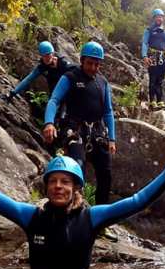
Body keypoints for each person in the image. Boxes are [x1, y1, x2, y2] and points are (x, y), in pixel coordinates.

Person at [0, 137, 165, 269]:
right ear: (46, 185)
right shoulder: (31, 216)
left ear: (76, 188)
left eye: (65, 181)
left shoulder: (92, 217)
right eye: (53, 181)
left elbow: (137, 201)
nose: (58, 186)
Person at [41, 41, 115, 210]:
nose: (93, 67)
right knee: (76, 167)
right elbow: (54, 100)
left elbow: (108, 112)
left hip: (97, 131)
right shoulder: (70, 77)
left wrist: (112, 139)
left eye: (97, 64)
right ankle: (73, 210)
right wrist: (49, 123)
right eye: (90, 63)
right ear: (82, 60)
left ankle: (100, 217)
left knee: (106, 175)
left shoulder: (103, 82)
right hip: (74, 129)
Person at [3, 41, 75, 101]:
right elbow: (28, 80)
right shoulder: (43, 67)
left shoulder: (63, 64)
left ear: (52, 54)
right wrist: (13, 93)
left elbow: (76, 73)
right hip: (55, 95)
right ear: (41, 56)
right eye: (44, 56)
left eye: (48, 55)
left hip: (69, 93)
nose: (46, 58)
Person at [141, 8, 165, 109]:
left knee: (160, 81)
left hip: (163, 58)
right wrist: (144, 56)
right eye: (157, 17)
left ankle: (160, 100)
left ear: (163, 19)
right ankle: (152, 100)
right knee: (152, 79)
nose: (159, 19)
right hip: (152, 57)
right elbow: (144, 43)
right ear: (154, 18)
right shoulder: (149, 31)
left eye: (161, 17)